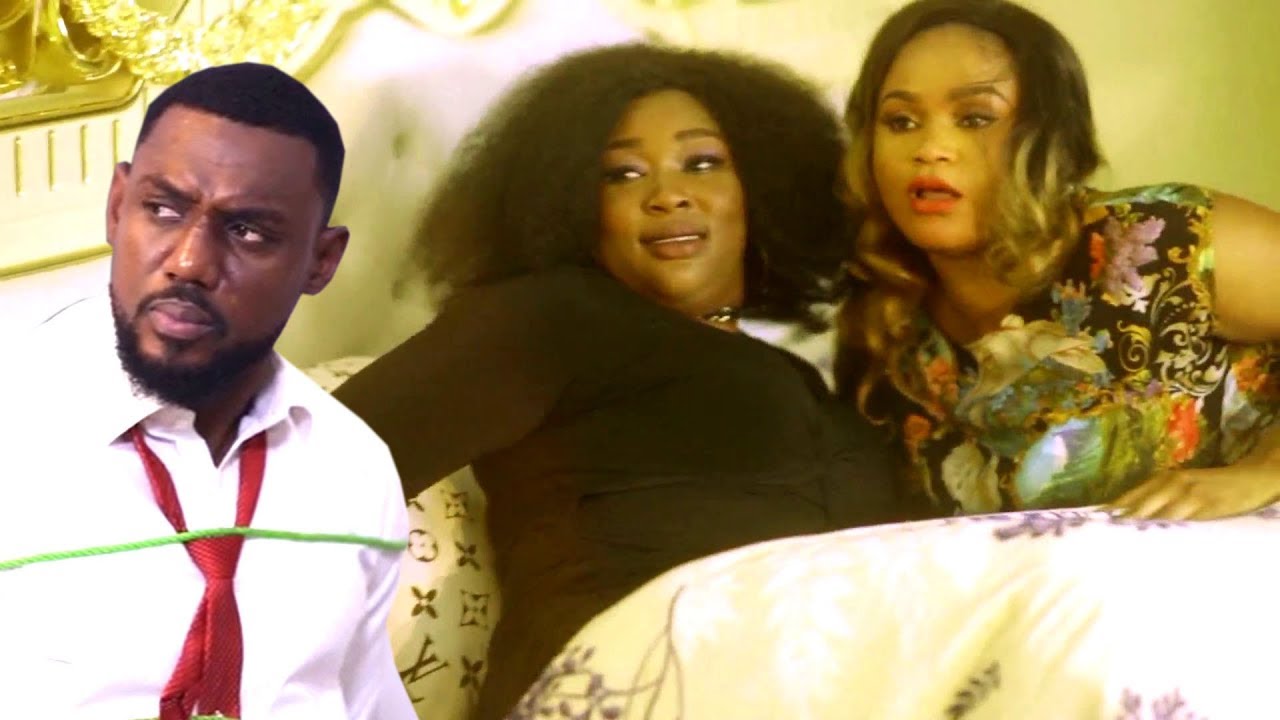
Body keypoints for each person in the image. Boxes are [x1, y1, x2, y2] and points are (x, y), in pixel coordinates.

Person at [332, 43, 900, 719]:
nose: (668, 195)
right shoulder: (554, 316)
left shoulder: (811, 384)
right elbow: (300, 469)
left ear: (759, 188)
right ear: (575, 206)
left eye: (702, 163)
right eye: (623, 174)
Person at [0, 64, 416, 720]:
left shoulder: (353, 467)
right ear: (117, 207)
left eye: (248, 231)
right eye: (163, 209)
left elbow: (365, 701)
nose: (190, 262)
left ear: (320, 261)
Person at [834, 0, 1280, 521]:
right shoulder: (886, 324)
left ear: (1050, 138)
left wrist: (1266, 471)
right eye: (901, 121)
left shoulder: (1163, 241)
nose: (931, 147)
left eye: (975, 118)